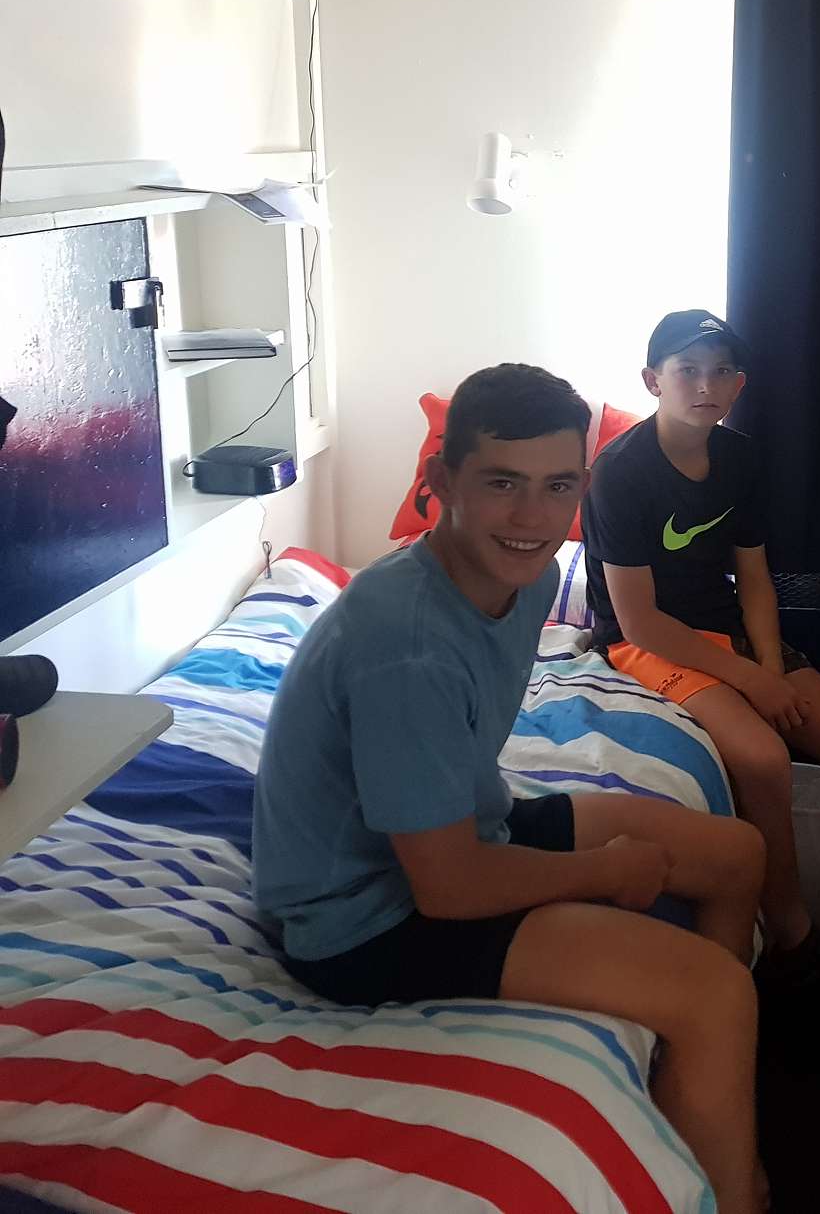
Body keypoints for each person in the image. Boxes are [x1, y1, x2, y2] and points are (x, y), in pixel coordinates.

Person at [252, 364, 767, 1214]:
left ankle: (695, 1102)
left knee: (737, 855)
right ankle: (732, 1183)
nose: (532, 517)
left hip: (460, 830)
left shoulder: (529, 580)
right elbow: (448, 888)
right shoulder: (406, 642)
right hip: (361, 918)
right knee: (715, 995)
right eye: (502, 484)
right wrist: (605, 872)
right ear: (443, 481)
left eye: (556, 486)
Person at [585, 311, 820, 1023]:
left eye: (721, 372)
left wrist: (769, 665)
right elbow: (638, 621)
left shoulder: (738, 457)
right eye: (687, 370)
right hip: (648, 640)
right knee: (763, 758)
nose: (705, 385)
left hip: (728, 627)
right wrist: (751, 681)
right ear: (653, 380)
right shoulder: (619, 472)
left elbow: (755, 578)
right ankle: (795, 939)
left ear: (739, 384)